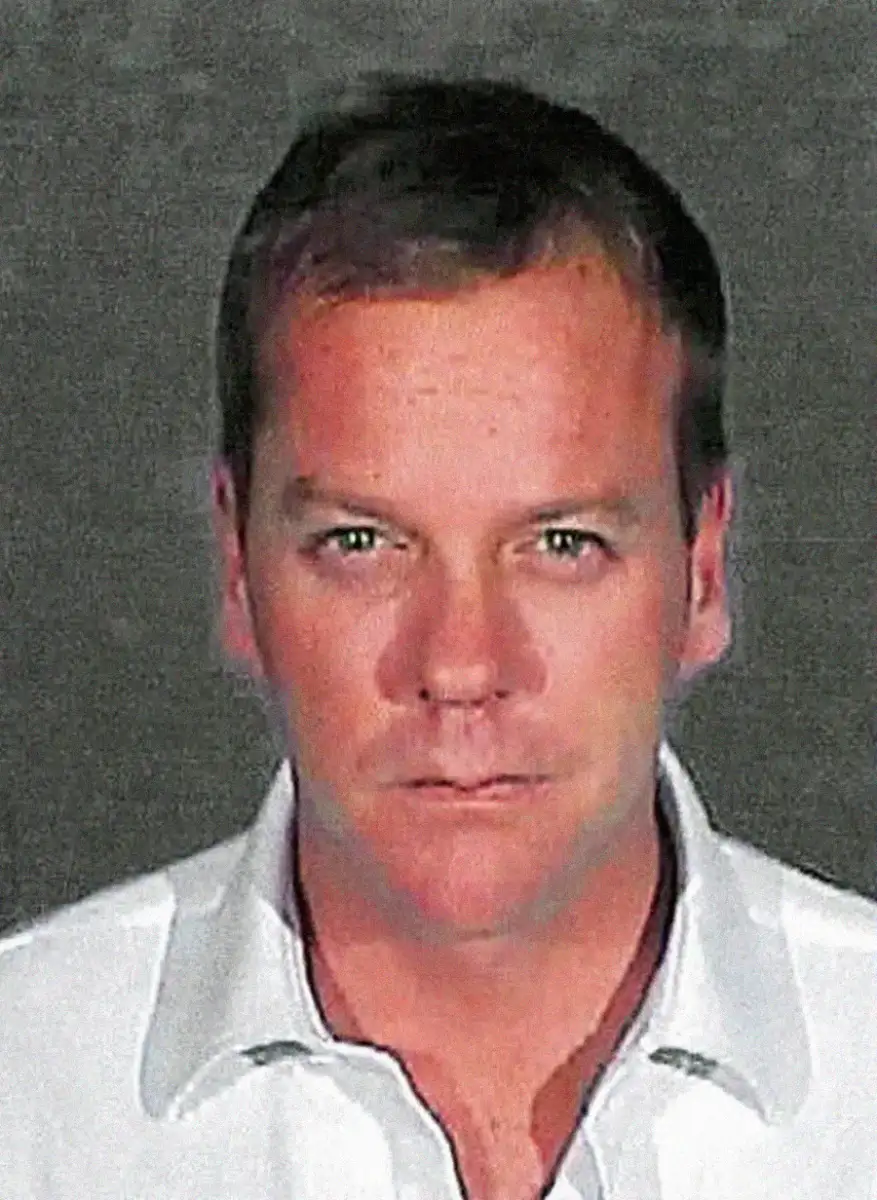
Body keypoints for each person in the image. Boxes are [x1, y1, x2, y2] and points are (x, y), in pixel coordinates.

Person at [2, 71, 875, 1200]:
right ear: (235, 566)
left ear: (701, 569)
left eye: (560, 545)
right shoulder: (26, 1097)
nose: (460, 667)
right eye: (363, 544)